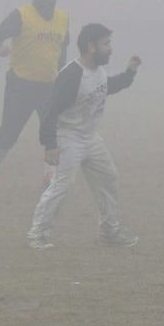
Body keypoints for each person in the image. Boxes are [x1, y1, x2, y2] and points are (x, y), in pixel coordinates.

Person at [27, 23, 140, 250]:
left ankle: (109, 232)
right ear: (91, 47)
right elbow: (50, 110)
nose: (110, 49)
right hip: (68, 137)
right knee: (62, 185)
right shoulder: (71, 75)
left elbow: (109, 86)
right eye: (106, 44)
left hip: (90, 137)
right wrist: (50, 144)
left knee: (108, 178)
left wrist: (129, 73)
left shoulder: (97, 71)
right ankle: (37, 234)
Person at [0, 0, 69, 190]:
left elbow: (62, 52)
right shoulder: (21, 15)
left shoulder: (62, 18)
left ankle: (50, 176)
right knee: (9, 132)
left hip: (49, 85)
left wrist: (64, 78)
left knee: (53, 133)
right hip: (20, 84)